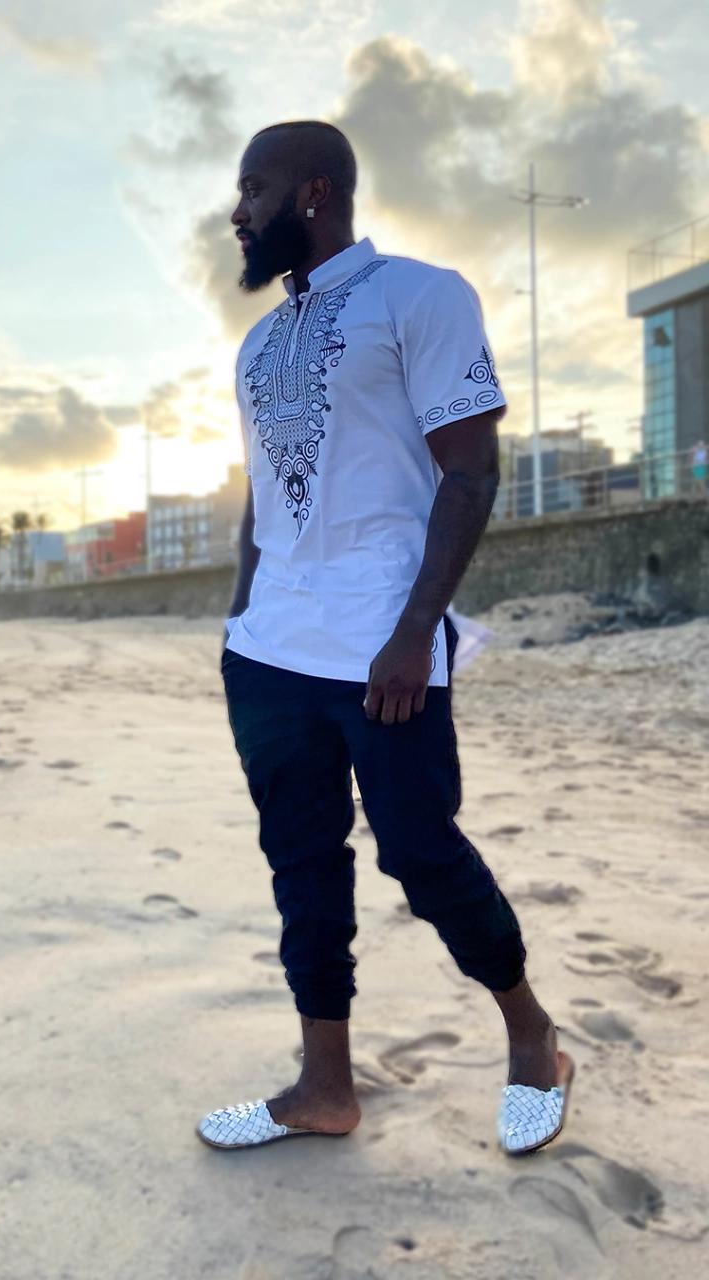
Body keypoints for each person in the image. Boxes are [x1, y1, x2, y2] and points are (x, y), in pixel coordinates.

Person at [197, 121, 570, 1157]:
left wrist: (414, 633)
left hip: (382, 647)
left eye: (253, 189)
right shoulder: (257, 343)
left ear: (314, 192)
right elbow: (260, 499)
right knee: (301, 862)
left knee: (419, 850)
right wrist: (240, 619)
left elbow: (471, 473)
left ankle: (532, 1036)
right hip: (269, 655)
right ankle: (325, 1087)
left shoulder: (420, 294)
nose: (237, 212)